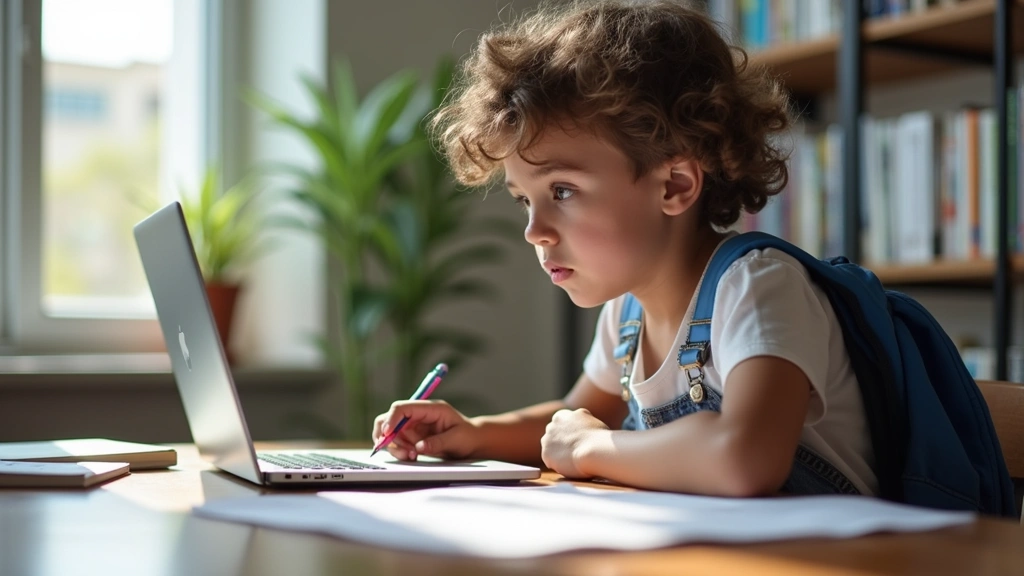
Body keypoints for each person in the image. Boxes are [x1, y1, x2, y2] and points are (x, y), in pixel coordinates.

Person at [371, 0, 877, 498]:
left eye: (562, 191)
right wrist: (473, 433)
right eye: (525, 199)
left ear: (675, 185)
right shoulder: (626, 310)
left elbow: (745, 457)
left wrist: (593, 449)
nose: (534, 230)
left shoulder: (758, 287)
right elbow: (568, 422)